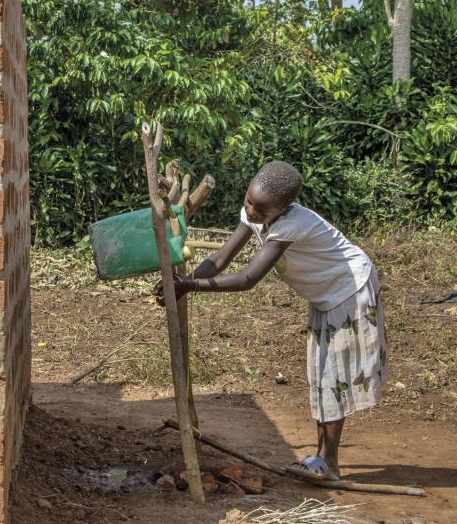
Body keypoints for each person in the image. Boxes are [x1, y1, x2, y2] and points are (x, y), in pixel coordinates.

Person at [156, 160, 387, 481]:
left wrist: (190, 285)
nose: (251, 211)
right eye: (249, 201)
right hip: (327, 293)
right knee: (321, 372)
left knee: (332, 375)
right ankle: (323, 459)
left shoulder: (292, 224)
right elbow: (220, 259)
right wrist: (183, 283)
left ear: (284, 208)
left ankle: (328, 463)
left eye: (260, 209)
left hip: (349, 289)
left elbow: (248, 278)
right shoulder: (256, 213)